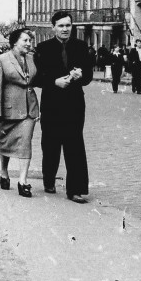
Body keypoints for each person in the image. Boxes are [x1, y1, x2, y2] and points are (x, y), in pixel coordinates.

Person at [33, 10, 93, 203]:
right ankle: (48, 179)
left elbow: (89, 76)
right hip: (51, 103)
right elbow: (37, 78)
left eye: (68, 25)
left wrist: (80, 75)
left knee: (74, 144)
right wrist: (54, 82)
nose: (65, 29)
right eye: (61, 26)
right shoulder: (43, 48)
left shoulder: (81, 47)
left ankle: (75, 189)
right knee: (50, 144)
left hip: (74, 103)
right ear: (53, 28)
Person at [0, 28, 40, 198]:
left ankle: (22, 181)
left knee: (25, 143)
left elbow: (37, 79)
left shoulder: (32, 59)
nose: (29, 44)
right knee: (5, 143)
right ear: (14, 42)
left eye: (30, 41)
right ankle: (4, 172)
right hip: (8, 111)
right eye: (25, 40)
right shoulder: (1, 60)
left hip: (29, 109)